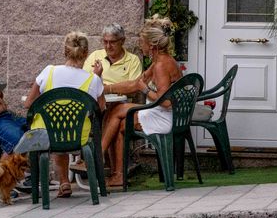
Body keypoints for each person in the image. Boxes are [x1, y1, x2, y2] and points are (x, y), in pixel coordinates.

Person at [99, 16, 183, 188]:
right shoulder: (160, 60)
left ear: (152, 45)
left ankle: (99, 159)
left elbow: (166, 102)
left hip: (165, 117)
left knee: (117, 113)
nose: (140, 45)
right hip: (161, 112)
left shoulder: (161, 66)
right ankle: (114, 172)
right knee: (118, 118)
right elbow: (133, 84)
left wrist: (145, 89)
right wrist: (105, 88)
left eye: (142, 42)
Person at [24, 31, 106, 198]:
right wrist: (97, 78)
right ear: (86, 53)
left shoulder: (49, 72)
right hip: (79, 135)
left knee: (57, 131)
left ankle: (64, 182)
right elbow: (101, 108)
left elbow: (29, 103)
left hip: (48, 134)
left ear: (65, 50)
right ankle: (76, 182)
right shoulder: (93, 80)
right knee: (67, 132)